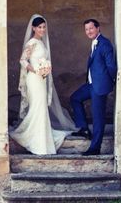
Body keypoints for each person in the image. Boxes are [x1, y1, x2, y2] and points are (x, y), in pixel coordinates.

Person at [10, 15, 76, 155]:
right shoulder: (32, 43)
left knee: (41, 108)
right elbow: (23, 60)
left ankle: (42, 139)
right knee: (38, 107)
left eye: (44, 27)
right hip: (34, 79)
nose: (42, 29)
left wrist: (45, 69)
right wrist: (36, 70)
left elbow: (43, 60)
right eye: (39, 27)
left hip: (41, 78)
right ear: (33, 28)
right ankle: (32, 140)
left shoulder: (42, 43)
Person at [70, 19, 117, 155]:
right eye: (86, 29)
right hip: (91, 84)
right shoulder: (95, 43)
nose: (88, 31)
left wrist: (110, 82)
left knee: (98, 118)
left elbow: (111, 66)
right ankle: (84, 128)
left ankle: (95, 148)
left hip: (99, 86)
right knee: (75, 98)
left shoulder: (105, 44)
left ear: (98, 28)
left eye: (91, 28)